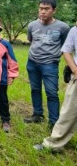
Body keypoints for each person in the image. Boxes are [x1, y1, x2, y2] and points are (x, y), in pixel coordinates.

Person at [24, 0, 69, 129]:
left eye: (46, 9)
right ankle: (37, 114)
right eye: (41, 8)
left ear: (54, 10)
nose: (43, 12)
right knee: (35, 89)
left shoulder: (63, 27)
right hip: (32, 62)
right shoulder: (32, 25)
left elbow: (66, 46)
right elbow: (31, 41)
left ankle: (53, 121)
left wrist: (53, 56)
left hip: (50, 65)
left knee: (51, 93)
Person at [34, 24, 77, 152]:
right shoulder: (75, 30)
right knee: (69, 112)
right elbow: (66, 51)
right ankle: (54, 144)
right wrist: (74, 70)